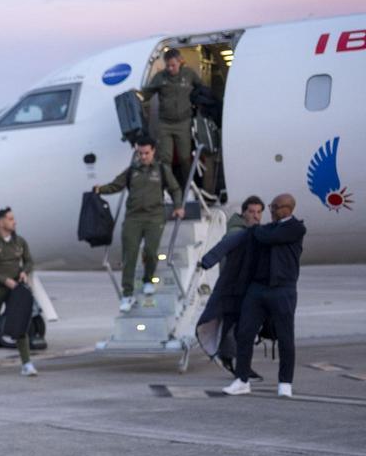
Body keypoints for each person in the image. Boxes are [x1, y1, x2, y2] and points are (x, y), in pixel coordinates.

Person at [223, 194, 306, 397]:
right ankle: (242, 379)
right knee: (245, 333)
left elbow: (268, 236)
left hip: (283, 289)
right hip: (258, 288)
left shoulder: (296, 228)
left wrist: (258, 231)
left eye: (274, 207)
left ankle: (285, 382)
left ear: (287, 209)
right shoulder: (271, 227)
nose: (271, 210)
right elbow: (261, 234)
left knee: (286, 337)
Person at [95, 137, 186, 312]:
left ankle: (148, 280)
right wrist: (100, 189)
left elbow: (175, 188)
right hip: (133, 218)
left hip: (154, 217)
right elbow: (116, 185)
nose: (143, 157)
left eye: (146, 153)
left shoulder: (161, 170)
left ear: (153, 152)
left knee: (151, 252)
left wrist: (178, 206)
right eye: (140, 153)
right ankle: (127, 294)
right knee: (129, 255)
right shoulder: (131, 171)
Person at [196, 196, 265, 373]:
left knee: (235, 328)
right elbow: (223, 250)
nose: (256, 216)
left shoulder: (253, 232)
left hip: (241, 289)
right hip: (235, 290)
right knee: (240, 329)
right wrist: (207, 262)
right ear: (243, 213)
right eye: (251, 212)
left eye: (259, 212)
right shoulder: (237, 232)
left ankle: (233, 361)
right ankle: (239, 366)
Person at [0, 207, 37, 376]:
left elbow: (29, 261)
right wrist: (4, 281)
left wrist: (24, 271)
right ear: (0, 222)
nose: (14, 222)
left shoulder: (20, 242)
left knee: (20, 325)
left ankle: (26, 364)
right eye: (10, 219)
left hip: (16, 290)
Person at [141, 49, 201, 188]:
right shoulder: (160, 77)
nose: (170, 68)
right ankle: (168, 189)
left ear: (180, 62)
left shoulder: (189, 74)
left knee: (185, 158)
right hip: (165, 124)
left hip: (183, 122)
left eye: (173, 65)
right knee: (165, 159)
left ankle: (189, 188)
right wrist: (137, 97)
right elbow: (146, 94)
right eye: (167, 65)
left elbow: (201, 88)